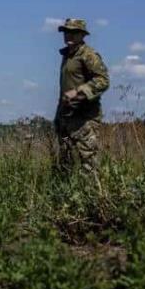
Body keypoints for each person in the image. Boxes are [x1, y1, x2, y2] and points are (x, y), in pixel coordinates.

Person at [54, 19, 109, 174]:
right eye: (66, 32)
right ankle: (68, 195)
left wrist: (79, 91)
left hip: (85, 118)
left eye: (74, 32)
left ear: (82, 35)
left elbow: (103, 80)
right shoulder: (67, 55)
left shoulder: (88, 55)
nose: (68, 35)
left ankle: (95, 196)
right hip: (67, 116)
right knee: (66, 162)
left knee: (89, 162)